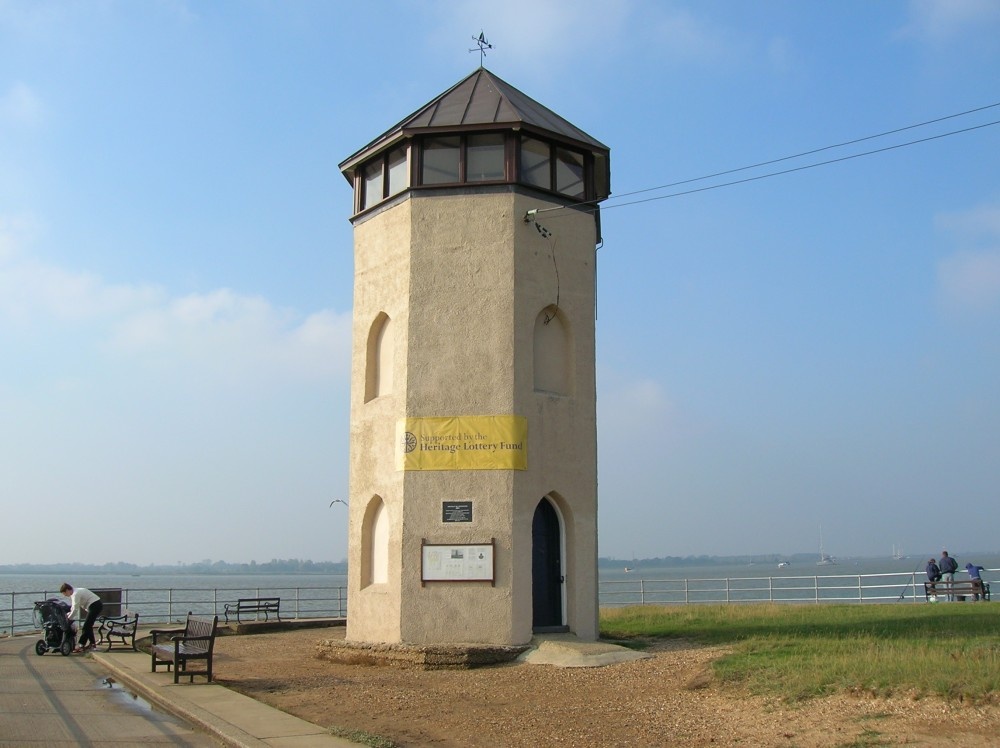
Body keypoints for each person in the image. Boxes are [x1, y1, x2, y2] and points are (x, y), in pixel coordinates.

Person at [60, 583, 103, 653]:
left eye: (65, 593)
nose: (66, 596)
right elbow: (74, 607)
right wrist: (69, 615)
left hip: (95, 606)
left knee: (86, 626)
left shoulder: (75, 594)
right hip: (95, 605)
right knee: (88, 626)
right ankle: (92, 644)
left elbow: (75, 609)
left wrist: (69, 618)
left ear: (67, 590)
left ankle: (81, 645)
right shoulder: (76, 592)